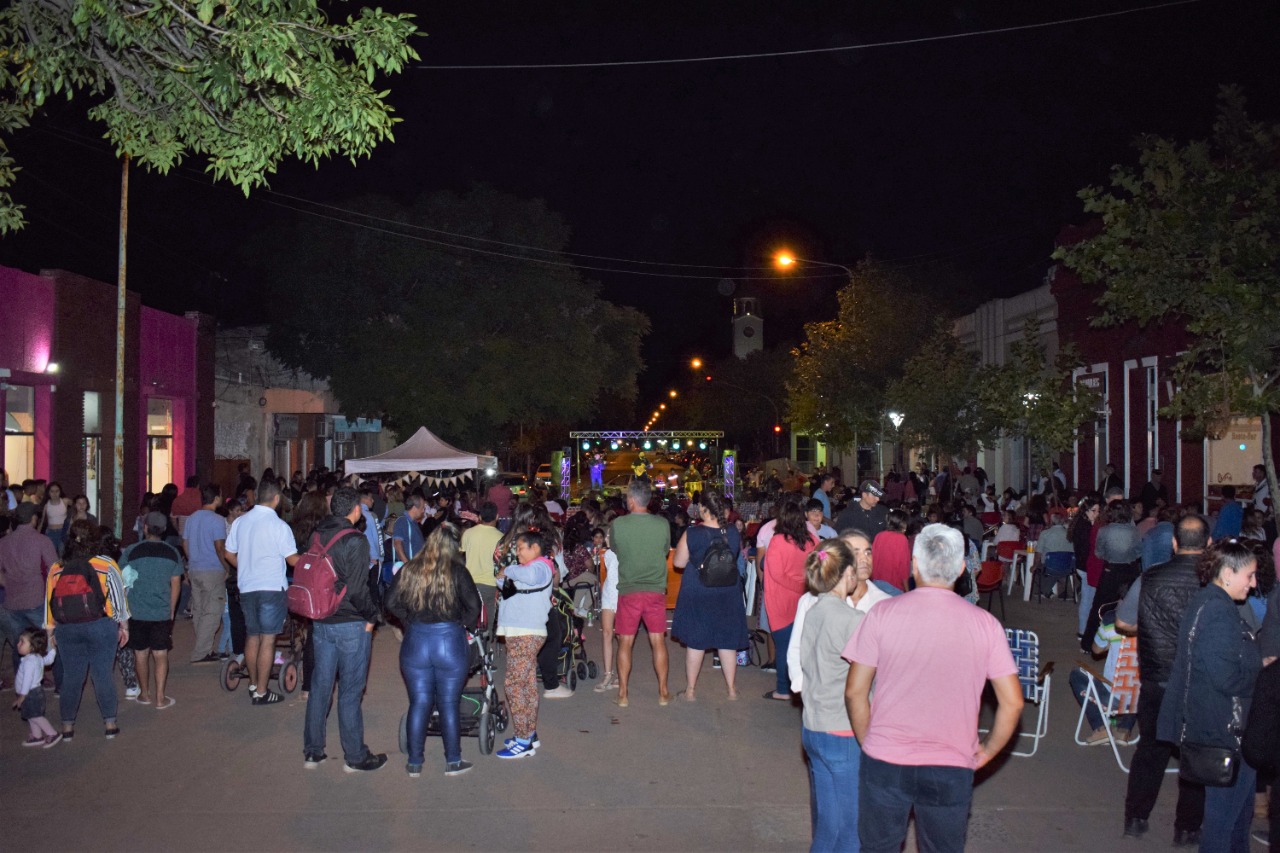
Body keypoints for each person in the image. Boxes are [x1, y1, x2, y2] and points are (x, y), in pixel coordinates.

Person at [844, 523, 1023, 853]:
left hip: (886, 760)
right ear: (962, 568)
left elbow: (855, 691)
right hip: (950, 765)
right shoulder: (985, 624)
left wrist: (869, 741)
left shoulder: (882, 614)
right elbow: (1012, 703)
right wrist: (986, 751)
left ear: (914, 566)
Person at [1158, 540, 1262, 852]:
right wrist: (1264, 677)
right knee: (1221, 825)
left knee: (1236, 819)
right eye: (1250, 575)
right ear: (1228, 573)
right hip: (1224, 732)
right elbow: (1225, 677)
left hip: (1218, 727)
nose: (1254, 583)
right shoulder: (1218, 611)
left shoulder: (1210, 602)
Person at [1117, 514, 1211, 844]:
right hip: (1200, 682)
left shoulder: (1150, 577)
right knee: (1195, 755)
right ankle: (1187, 828)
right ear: (1209, 543)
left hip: (1157, 677)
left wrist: (1149, 627)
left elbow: (1123, 623)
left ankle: (1136, 819)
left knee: (1150, 750)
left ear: (1174, 543)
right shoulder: (1216, 581)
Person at [302, 487, 387, 773]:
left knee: (320, 687)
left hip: (321, 619)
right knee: (350, 691)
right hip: (350, 622)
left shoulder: (317, 534)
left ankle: (313, 751)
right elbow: (358, 589)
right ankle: (355, 756)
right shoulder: (355, 540)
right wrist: (372, 616)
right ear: (356, 509)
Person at [387, 522, 482, 777]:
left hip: (416, 641)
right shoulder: (458, 572)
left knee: (419, 702)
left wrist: (408, 620)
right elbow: (474, 606)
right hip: (448, 640)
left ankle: (414, 762)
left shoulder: (410, 569)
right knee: (449, 703)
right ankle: (453, 761)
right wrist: (461, 624)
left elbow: (390, 601)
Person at [797, 537, 863, 852]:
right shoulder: (852, 620)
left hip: (814, 727)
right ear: (848, 573)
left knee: (828, 827)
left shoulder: (814, 610)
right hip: (843, 731)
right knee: (851, 831)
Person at [44, 519, 131, 740]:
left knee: (72, 677)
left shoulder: (57, 567)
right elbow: (118, 600)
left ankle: (67, 727)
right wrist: (123, 627)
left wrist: (50, 634)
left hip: (67, 629)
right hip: (101, 626)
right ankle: (110, 724)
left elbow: (49, 605)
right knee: (102, 676)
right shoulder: (106, 564)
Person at [225, 479, 299, 706]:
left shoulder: (240, 521)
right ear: (276, 499)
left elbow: (229, 554)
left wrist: (246, 568)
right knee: (268, 639)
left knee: (252, 635)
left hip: (247, 587)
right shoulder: (279, 526)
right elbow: (292, 560)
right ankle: (262, 692)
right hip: (271, 589)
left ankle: (253, 684)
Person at [671, 489, 746, 701]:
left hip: (699, 591)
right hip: (727, 591)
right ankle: (731, 690)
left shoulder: (692, 533)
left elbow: (678, 563)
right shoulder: (732, 531)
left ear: (703, 509)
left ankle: (690, 691)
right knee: (727, 641)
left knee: (696, 642)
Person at [609, 479, 673, 708]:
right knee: (658, 641)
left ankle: (623, 694)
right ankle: (663, 692)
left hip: (629, 590)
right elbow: (665, 551)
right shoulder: (662, 524)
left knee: (625, 642)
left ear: (632, 501)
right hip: (655, 590)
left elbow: (615, 549)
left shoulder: (618, 524)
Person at [494, 527, 556, 759]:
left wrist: (508, 570)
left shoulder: (540, 566)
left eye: (521, 549)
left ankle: (522, 741)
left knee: (513, 685)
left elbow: (528, 577)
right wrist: (504, 576)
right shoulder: (529, 569)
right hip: (521, 632)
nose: (517, 553)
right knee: (527, 685)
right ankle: (529, 733)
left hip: (525, 633)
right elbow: (506, 586)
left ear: (535, 548)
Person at [120, 512, 184, 708]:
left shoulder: (132, 551)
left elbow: (122, 580)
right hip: (161, 611)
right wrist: (171, 610)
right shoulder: (172, 552)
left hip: (136, 610)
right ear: (164, 530)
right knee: (160, 653)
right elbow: (176, 584)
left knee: (140, 654)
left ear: (145, 528)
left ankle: (145, 694)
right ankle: (160, 698)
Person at [763, 501, 818, 701]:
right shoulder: (812, 540)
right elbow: (822, 560)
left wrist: (798, 587)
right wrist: (806, 586)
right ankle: (807, 686)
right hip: (807, 600)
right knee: (805, 647)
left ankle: (783, 689)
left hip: (781, 601)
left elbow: (777, 574)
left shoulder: (778, 541)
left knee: (784, 647)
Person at [0, 503, 60, 680]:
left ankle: (23, 683)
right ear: (34, 518)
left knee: (21, 644)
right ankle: (54, 683)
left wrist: (7, 583)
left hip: (11, 602)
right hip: (35, 599)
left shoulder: (3, 542)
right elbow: (54, 570)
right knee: (48, 641)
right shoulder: (41, 540)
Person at [1071, 603, 1136, 745]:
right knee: (1136, 679)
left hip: (1113, 698)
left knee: (1077, 675)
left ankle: (1100, 728)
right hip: (1144, 700)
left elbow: (1096, 649)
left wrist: (1111, 643)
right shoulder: (1158, 622)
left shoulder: (1111, 620)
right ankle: (1124, 729)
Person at [184, 485, 229, 664]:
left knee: (199, 610)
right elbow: (219, 547)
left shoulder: (191, 518)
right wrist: (227, 567)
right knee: (212, 612)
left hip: (194, 569)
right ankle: (200, 653)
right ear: (216, 498)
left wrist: (193, 559)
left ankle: (205, 648)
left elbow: (185, 544)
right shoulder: (217, 520)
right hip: (212, 570)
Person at [13, 627, 60, 747]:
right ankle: (36, 735)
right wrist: (53, 649)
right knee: (31, 715)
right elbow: (49, 660)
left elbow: (27, 681)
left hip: (30, 694)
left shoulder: (29, 662)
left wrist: (22, 696)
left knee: (36, 716)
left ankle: (52, 733)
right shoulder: (36, 657)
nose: (18, 644)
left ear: (33, 646)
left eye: (22, 642)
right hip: (34, 693)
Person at [459, 500, 502, 617]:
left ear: (480, 517)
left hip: (469, 583)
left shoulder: (468, 533)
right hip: (490, 584)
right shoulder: (501, 537)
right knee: (488, 619)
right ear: (497, 517)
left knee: (471, 619)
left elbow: (461, 555)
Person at [591, 527, 621, 693]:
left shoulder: (625, 552)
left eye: (609, 535)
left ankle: (621, 673)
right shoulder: (607, 553)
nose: (606, 537)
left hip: (622, 594)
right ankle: (608, 674)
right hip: (609, 593)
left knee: (621, 636)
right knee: (607, 633)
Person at [1071, 498, 1102, 637]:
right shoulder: (1085, 527)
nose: (1097, 513)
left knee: (1088, 599)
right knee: (1088, 600)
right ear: (1086, 511)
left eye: (1098, 511)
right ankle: (1083, 631)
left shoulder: (1083, 524)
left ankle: (1084, 630)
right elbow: (1086, 550)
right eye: (1093, 510)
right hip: (1086, 567)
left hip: (1084, 566)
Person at [870, 509, 911, 592]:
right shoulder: (902, 539)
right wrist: (907, 590)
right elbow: (904, 567)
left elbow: (872, 559)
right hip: (893, 585)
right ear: (903, 523)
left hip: (876, 583)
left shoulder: (879, 535)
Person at [39, 481, 70, 555]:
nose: (55, 494)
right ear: (48, 492)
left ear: (60, 491)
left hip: (63, 532)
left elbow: (76, 505)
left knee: (63, 555)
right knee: (51, 556)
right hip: (50, 533)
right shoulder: (46, 504)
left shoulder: (65, 501)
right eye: (52, 491)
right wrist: (36, 535)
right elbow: (42, 521)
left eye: (57, 491)